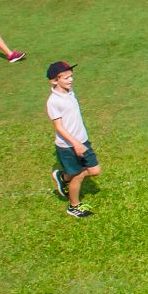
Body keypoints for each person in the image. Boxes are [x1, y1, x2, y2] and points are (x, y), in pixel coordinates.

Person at [45, 60, 101, 217]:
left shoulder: (69, 92)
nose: (71, 80)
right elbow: (59, 127)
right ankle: (74, 206)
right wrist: (75, 144)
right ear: (55, 80)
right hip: (69, 146)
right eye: (66, 78)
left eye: (71, 76)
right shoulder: (53, 101)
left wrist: (80, 141)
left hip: (82, 141)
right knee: (79, 175)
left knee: (95, 170)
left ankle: (63, 177)